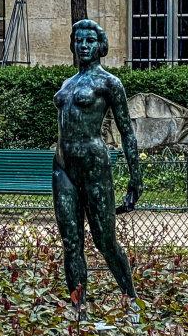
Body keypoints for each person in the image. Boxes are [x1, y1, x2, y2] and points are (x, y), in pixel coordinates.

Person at [52, 19, 143, 318]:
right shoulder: (67, 84)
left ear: (100, 45)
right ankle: (78, 306)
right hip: (63, 168)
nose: (84, 45)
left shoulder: (109, 83)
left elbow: (126, 132)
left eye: (90, 40)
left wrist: (135, 177)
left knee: (105, 240)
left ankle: (130, 297)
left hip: (94, 167)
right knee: (71, 242)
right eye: (79, 40)